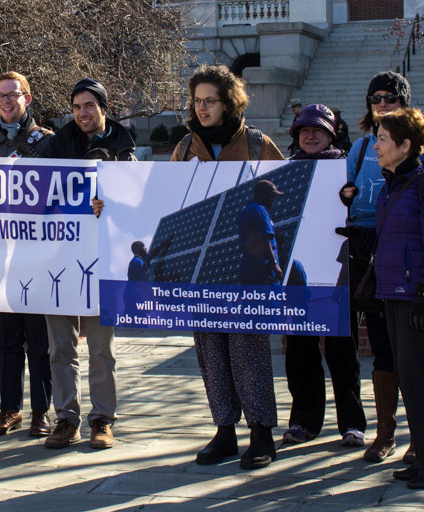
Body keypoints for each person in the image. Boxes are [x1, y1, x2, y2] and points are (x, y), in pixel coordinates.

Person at [171, 64, 284, 469]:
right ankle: (224, 431)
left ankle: (262, 433)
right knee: (211, 352)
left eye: (210, 101)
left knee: (248, 351)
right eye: (197, 101)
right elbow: (168, 202)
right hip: (203, 269)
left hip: (245, 272)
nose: (201, 109)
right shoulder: (185, 148)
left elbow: (282, 195)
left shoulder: (256, 144)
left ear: (229, 102)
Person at [340, 71, 424, 464]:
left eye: (389, 98)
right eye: (375, 99)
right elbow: (347, 194)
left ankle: (423, 440)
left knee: (418, 357)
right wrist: (345, 197)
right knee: (385, 350)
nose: (382, 105)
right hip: (372, 255)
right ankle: (385, 431)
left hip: (411, 257)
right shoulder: (361, 147)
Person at [40, 78, 135, 449]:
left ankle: (102, 418)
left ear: (103, 110)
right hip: (59, 261)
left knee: (101, 349)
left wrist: (108, 206)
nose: (82, 113)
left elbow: (133, 206)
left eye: (89, 106)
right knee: (60, 347)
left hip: (102, 264)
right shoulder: (54, 147)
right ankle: (65, 418)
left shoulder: (125, 152)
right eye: (77, 106)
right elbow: (39, 197)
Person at [372, 107, 424, 489]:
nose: (377, 146)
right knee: (407, 376)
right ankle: (422, 452)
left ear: (406, 145)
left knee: (418, 377)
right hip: (392, 291)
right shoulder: (392, 183)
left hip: (415, 294)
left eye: (383, 139)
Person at [0, 71, 54, 438]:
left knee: (39, 340)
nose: (6, 101)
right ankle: (9, 409)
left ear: (28, 99)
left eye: (13, 95)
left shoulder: (49, 143)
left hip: (37, 257)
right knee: (4, 340)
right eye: (0, 96)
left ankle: (41, 411)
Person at [282, 104, 367, 447]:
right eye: (304, 130)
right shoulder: (286, 171)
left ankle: (352, 422)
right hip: (299, 278)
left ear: (333, 133)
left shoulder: (348, 170)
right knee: (299, 354)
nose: (310, 135)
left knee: (342, 353)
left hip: (338, 276)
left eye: (317, 130)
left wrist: (350, 199)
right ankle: (303, 422)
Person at [238, 181, 284, 286]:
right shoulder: (260, 210)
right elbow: (264, 240)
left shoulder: (245, 212)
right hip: (264, 271)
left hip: (249, 270)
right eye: (271, 196)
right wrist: (275, 266)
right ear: (262, 195)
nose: (273, 200)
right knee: (269, 301)